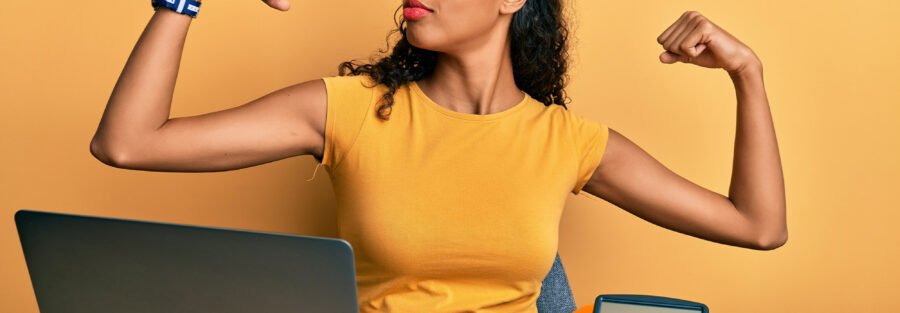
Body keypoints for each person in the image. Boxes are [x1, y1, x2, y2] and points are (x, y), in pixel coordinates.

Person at [89, 0, 787, 312]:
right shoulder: (350, 107)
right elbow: (128, 142)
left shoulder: (564, 142)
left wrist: (746, 73)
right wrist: (180, 0)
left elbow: (757, 225)